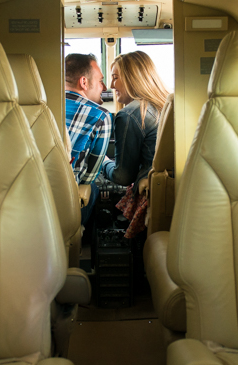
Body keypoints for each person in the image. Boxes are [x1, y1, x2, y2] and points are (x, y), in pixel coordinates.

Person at [101, 51, 169, 238]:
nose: (111, 85)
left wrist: (103, 163)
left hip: (151, 190)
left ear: (132, 78)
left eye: (115, 78)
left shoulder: (129, 114)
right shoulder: (165, 105)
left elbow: (123, 176)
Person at [64, 52, 111, 224]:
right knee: (92, 187)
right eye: (100, 81)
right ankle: (79, 233)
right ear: (84, 82)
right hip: (66, 196)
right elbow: (90, 175)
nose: (104, 87)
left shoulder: (40, 105)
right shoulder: (100, 115)